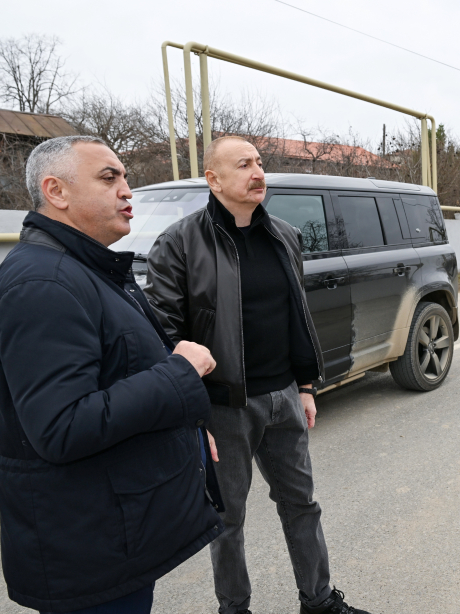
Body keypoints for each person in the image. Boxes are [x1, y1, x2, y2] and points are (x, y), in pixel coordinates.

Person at [0, 136, 225, 614]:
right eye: (109, 178)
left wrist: (188, 425)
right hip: (91, 549)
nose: (127, 190)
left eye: (125, 177)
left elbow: (120, 372)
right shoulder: (44, 283)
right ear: (56, 191)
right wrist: (180, 374)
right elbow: (62, 426)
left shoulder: (87, 268)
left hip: (113, 535)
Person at [144, 136, 370, 614]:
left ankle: (319, 601)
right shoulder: (179, 243)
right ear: (214, 179)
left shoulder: (284, 235)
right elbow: (163, 336)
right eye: (244, 164)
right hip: (223, 407)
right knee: (227, 518)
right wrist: (192, 413)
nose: (258, 172)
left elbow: (295, 316)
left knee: (302, 503)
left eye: (260, 163)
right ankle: (234, 608)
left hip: (284, 396)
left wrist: (305, 386)